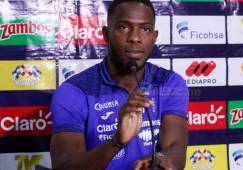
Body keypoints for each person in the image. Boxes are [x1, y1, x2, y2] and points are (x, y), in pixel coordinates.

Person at [50, 0, 189, 169]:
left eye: (145, 29)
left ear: (154, 37)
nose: (135, 38)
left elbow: (176, 148)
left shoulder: (169, 83)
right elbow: (64, 166)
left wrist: (158, 160)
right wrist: (117, 141)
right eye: (124, 27)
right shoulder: (73, 92)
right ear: (106, 34)